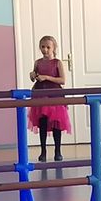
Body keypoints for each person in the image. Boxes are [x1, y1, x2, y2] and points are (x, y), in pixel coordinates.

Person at [27, 35, 71, 163]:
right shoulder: (38, 62)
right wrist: (32, 75)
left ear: (53, 48)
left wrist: (46, 77)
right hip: (40, 94)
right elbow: (34, 77)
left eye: (48, 47)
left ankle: (58, 151)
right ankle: (43, 151)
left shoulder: (57, 62)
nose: (45, 50)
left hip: (55, 94)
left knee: (56, 123)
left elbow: (62, 80)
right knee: (43, 123)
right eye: (42, 47)